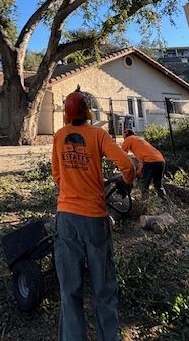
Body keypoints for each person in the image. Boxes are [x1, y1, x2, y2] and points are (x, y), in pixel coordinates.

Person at [52, 90, 135, 341]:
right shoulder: (98, 135)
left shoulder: (58, 137)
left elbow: (56, 175)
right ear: (89, 112)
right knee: (104, 289)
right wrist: (126, 180)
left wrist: (70, 186)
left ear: (66, 114)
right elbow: (128, 166)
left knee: (70, 290)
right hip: (95, 219)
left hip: (66, 218)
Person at [121, 128, 167, 201]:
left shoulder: (128, 139)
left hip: (150, 161)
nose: (122, 136)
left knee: (144, 185)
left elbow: (121, 154)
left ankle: (144, 204)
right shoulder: (139, 139)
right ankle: (168, 205)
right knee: (158, 186)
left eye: (123, 134)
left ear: (126, 133)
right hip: (160, 160)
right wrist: (140, 169)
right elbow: (143, 158)